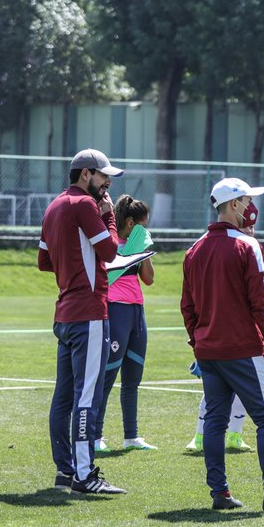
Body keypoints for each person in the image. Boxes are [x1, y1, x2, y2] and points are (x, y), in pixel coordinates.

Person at [181, 177, 264, 511]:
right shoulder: (247, 246)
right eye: (248, 200)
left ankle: (219, 493)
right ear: (234, 205)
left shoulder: (194, 249)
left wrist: (198, 341)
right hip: (242, 349)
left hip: (209, 350)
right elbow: (262, 304)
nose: (252, 207)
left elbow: (187, 306)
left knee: (215, 422)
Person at [38, 148, 127, 494]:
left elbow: (44, 262)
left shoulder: (54, 205)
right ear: (86, 174)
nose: (107, 184)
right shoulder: (85, 205)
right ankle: (85, 475)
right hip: (89, 312)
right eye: (104, 176)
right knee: (86, 396)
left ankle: (66, 470)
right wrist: (108, 218)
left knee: (63, 398)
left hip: (65, 312)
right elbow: (110, 252)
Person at [185, 202, 264, 453]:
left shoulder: (252, 249)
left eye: (252, 227)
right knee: (213, 395)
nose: (249, 231)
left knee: (240, 393)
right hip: (219, 334)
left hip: (245, 335)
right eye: (247, 226)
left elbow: (260, 298)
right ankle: (199, 435)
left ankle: (235, 434)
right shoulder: (217, 247)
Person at [92, 194, 157, 452]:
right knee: (108, 376)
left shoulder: (137, 245)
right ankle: (95, 436)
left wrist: (143, 252)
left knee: (133, 377)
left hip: (137, 312)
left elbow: (149, 279)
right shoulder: (111, 244)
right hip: (116, 310)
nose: (147, 230)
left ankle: (131, 436)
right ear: (131, 222)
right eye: (144, 225)